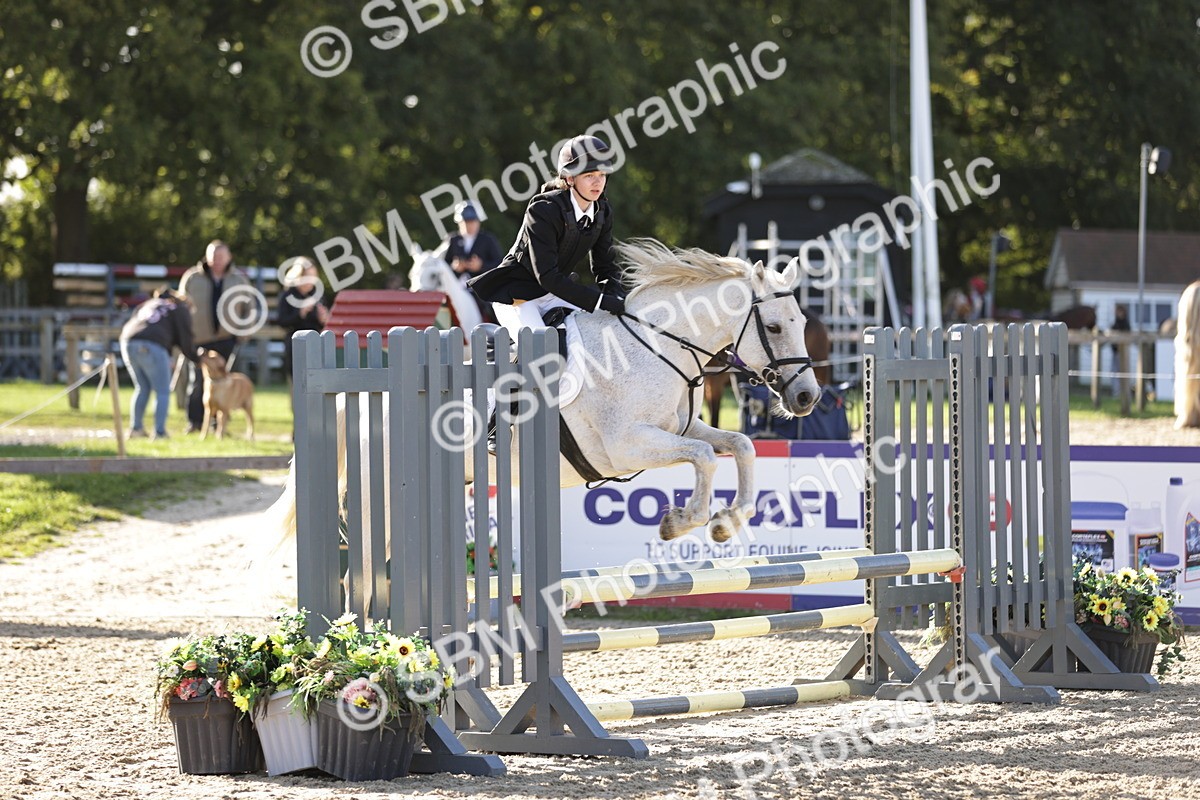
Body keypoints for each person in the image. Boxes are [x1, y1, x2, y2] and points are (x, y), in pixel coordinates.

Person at [467, 135, 625, 330]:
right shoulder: (543, 210)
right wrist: (601, 301)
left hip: (555, 295)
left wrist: (618, 298)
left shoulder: (602, 212)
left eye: (602, 175)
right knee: (541, 348)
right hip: (518, 298)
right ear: (570, 178)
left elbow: (606, 268)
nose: (597, 182)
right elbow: (547, 276)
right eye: (589, 175)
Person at [178, 240, 252, 433]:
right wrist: (184, 335)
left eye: (221, 257)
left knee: (225, 382)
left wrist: (243, 332)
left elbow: (249, 309)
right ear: (207, 257)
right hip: (199, 338)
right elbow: (180, 307)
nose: (217, 261)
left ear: (229, 257)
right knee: (197, 382)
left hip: (227, 337)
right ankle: (194, 422)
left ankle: (219, 425)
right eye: (213, 257)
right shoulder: (192, 278)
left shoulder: (239, 280)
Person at [118, 288, 199, 440]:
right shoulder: (181, 308)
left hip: (127, 342)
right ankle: (159, 432)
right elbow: (186, 341)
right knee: (162, 391)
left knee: (142, 388)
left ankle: (136, 429)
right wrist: (197, 360)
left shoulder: (150, 303)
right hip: (152, 345)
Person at [276, 256, 330, 383]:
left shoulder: (318, 295)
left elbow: (325, 324)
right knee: (298, 380)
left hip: (316, 342)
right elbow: (282, 321)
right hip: (295, 342)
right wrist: (300, 313)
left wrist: (324, 318)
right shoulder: (289, 296)